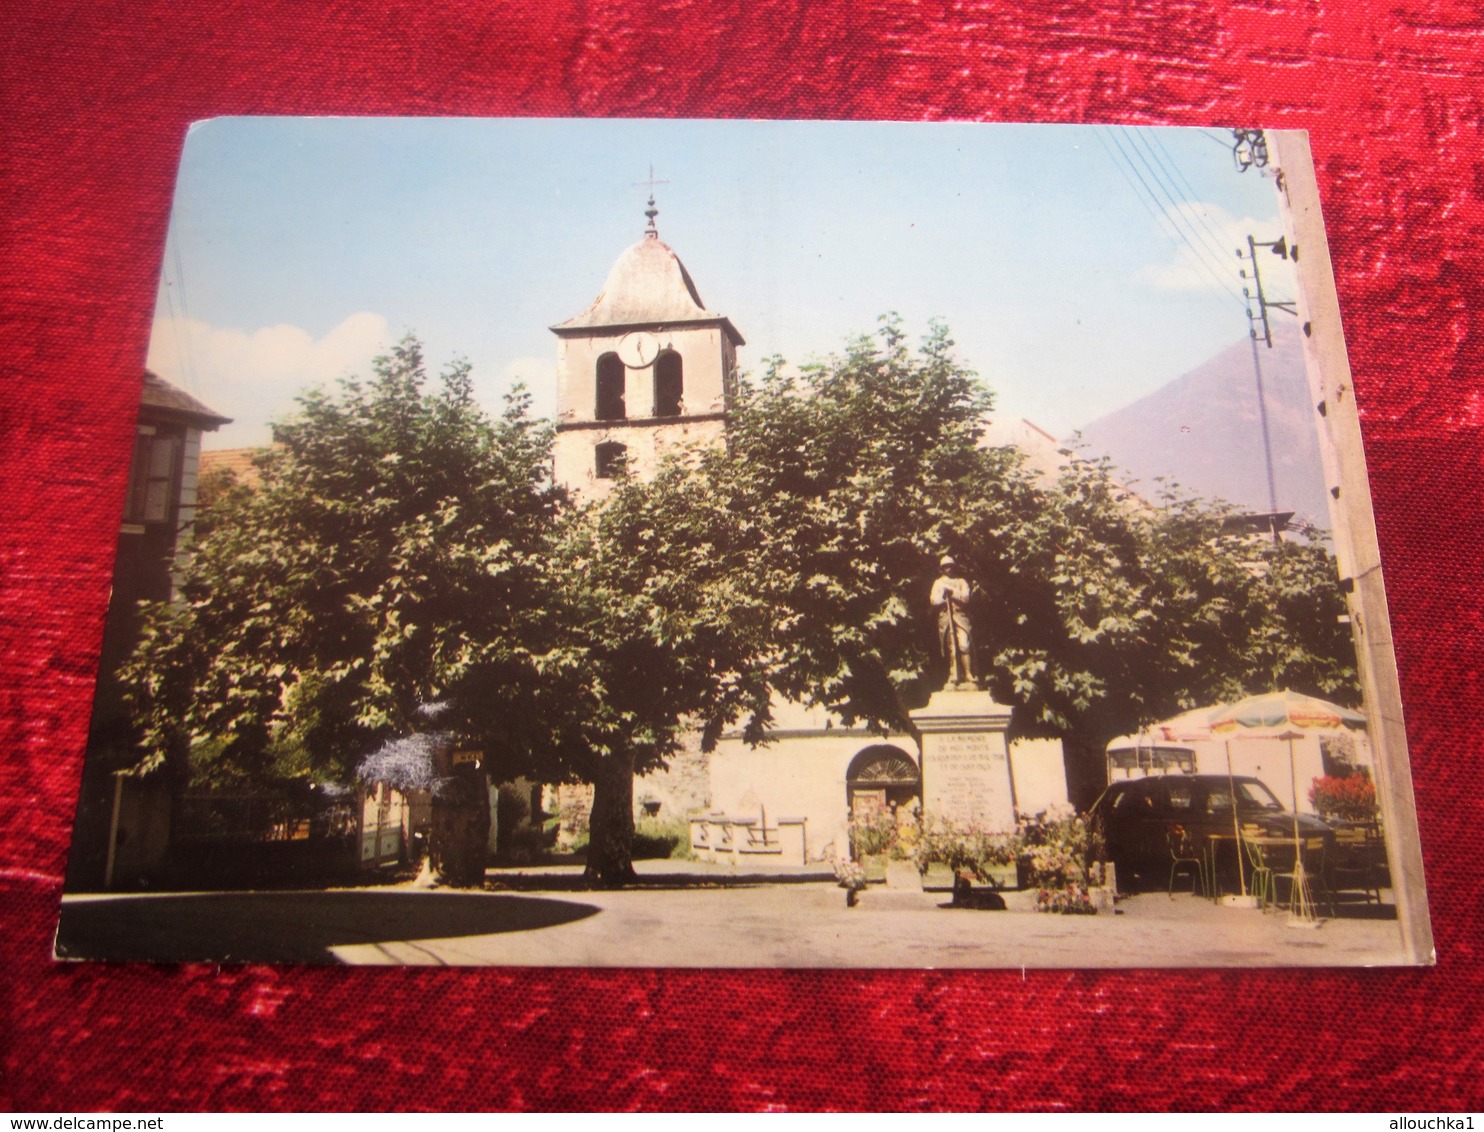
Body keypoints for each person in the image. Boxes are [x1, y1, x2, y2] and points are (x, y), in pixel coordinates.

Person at [930, 554, 977, 687]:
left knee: (964, 644)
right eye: (945, 567)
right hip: (946, 618)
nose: (949, 569)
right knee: (951, 648)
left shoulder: (961, 582)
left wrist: (952, 592)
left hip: (960, 617)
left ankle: (968, 673)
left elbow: (965, 598)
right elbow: (933, 601)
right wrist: (943, 596)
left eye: (950, 566)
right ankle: (953, 673)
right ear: (942, 569)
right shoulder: (938, 583)